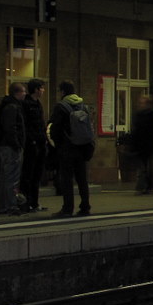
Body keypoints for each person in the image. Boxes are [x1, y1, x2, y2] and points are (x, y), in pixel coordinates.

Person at [49, 80, 94, 217]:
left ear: (63, 92)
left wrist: (57, 144)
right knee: (82, 178)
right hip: (82, 147)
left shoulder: (61, 107)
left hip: (67, 148)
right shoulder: (83, 105)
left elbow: (55, 129)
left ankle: (67, 208)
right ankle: (85, 206)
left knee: (66, 179)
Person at [0, 82, 27, 215]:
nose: (25, 94)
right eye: (23, 92)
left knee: (5, 176)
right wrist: (17, 144)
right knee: (12, 177)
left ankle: (2, 204)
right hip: (11, 146)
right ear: (17, 93)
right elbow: (11, 128)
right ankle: (10, 205)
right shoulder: (13, 107)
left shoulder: (6, 105)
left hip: (5, 145)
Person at [21, 78, 48, 211]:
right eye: (42, 88)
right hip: (32, 144)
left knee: (37, 174)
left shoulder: (38, 104)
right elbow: (26, 125)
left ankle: (35, 202)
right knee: (28, 174)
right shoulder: (26, 104)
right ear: (36, 89)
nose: (43, 90)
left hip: (40, 142)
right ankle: (27, 202)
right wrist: (31, 140)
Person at [130, 95, 153, 194]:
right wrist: (133, 145)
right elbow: (135, 131)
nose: (141, 105)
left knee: (151, 169)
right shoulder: (138, 115)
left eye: (143, 103)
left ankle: (150, 187)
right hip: (141, 147)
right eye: (140, 103)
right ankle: (140, 187)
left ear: (148, 104)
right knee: (141, 169)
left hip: (151, 146)